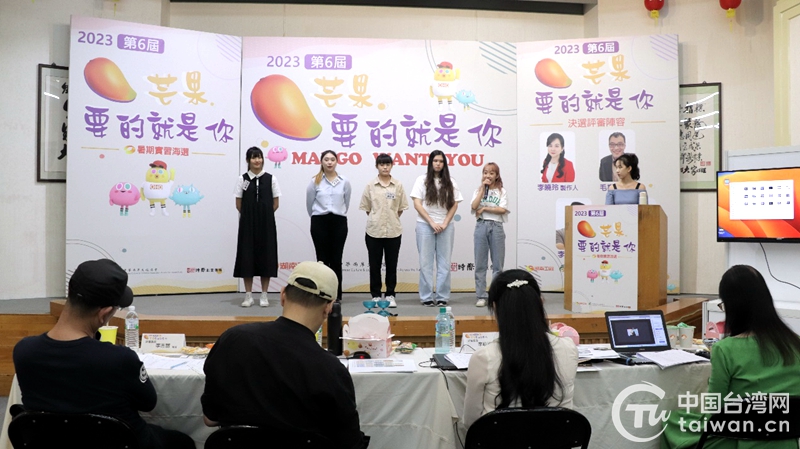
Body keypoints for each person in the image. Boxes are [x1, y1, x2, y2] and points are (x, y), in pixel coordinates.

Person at [12, 259, 195, 449]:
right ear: (104, 313)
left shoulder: (24, 351)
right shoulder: (119, 359)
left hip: (51, 442)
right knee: (183, 442)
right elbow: (148, 403)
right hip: (122, 442)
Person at [201, 261, 370, 449]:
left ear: (282, 295)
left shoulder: (232, 339)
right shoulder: (330, 369)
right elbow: (350, 443)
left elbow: (210, 418)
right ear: (328, 308)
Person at [661, 265, 800, 449]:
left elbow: (714, 408)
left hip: (737, 440)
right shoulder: (795, 343)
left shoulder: (725, 349)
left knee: (671, 421)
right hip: (787, 441)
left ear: (734, 307)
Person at [463, 269, 578, 429]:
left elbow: (471, 422)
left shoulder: (484, 357)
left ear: (495, 307)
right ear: (541, 302)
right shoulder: (569, 348)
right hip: (558, 439)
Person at [410, 150, 463, 306]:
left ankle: (442, 297)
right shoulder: (422, 180)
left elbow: (454, 204)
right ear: (430, 162)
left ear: (444, 164)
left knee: (444, 264)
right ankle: (426, 297)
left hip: (446, 226)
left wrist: (445, 223)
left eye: (441, 161)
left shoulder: (451, 182)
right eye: (435, 161)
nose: (438, 164)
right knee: (425, 263)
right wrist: (431, 222)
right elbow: (417, 204)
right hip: (425, 225)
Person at [359, 153, 409, 308]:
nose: (385, 167)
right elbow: (368, 209)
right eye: (382, 164)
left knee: (391, 265)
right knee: (374, 266)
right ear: (377, 166)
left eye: (387, 164)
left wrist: (390, 219)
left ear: (392, 166)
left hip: (393, 231)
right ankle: (375, 295)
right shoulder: (370, 186)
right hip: (374, 231)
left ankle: (390, 295)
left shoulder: (398, 185)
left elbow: (400, 208)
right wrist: (378, 219)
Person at [234, 146, 280, 307]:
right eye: (254, 157)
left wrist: (263, 215)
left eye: (259, 157)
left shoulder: (271, 178)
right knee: (247, 256)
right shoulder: (243, 179)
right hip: (247, 224)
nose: (257, 160)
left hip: (266, 224)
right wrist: (250, 216)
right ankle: (248, 295)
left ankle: (264, 295)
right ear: (248, 160)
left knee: (266, 256)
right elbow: (238, 203)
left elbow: (276, 203)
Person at [306, 150, 351, 301]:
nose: (329, 162)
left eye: (332, 159)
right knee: (322, 260)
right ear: (321, 162)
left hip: (338, 222)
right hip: (319, 221)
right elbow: (310, 203)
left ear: (337, 162)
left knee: (336, 259)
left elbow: (346, 202)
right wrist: (318, 216)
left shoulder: (344, 181)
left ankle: (336, 295)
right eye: (326, 159)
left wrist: (338, 213)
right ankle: (322, 294)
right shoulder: (315, 181)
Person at [470, 162, 509, 308]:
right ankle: (481, 295)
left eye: (491, 173)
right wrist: (482, 189)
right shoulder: (478, 190)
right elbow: (474, 206)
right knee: (480, 264)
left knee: (497, 265)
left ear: (497, 175)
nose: (488, 175)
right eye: (485, 172)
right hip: (481, 225)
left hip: (497, 226)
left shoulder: (501, 191)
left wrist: (485, 208)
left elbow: (502, 209)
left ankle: (495, 296)